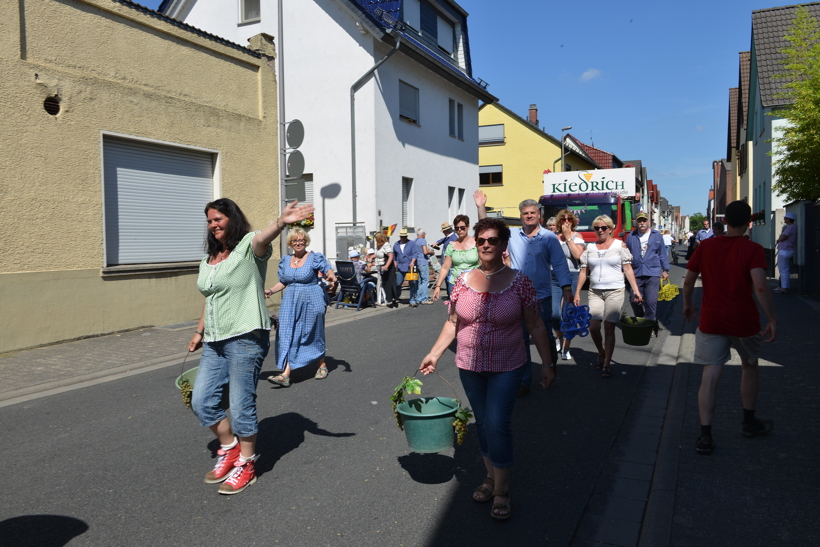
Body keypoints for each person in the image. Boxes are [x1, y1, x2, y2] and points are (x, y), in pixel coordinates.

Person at [419, 218, 555, 521]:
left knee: (497, 423)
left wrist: (547, 364)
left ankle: (502, 490)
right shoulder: (463, 280)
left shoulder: (519, 281)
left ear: (503, 245)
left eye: (493, 240)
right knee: (481, 423)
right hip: (469, 365)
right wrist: (434, 354)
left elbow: (534, 324)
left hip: (507, 365)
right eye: (482, 240)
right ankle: (491, 476)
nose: (486, 245)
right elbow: (454, 323)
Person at [188, 198, 313, 495]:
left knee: (242, 404)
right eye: (209, 221)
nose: (213, 224)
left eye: (218, 218)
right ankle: (229, 447)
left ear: (231, 218)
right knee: (202, 401)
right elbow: (211, 296)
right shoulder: (210, 258)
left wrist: (281, 222)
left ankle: (246, 464)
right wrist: (198, 331)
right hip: (214, 339)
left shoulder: (247, 247)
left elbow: (261, 238)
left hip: (245, 336)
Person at [683, 200, 777, 455]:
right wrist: (772, 318)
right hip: (743, 321)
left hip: (712, 320)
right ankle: (748, 422)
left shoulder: (706, 247)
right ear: (749, 223)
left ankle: (705, 436)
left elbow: (689, 281)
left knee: (710, 375)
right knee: (749, 366)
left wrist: (688, 305)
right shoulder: (753, 249)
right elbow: (759, 286)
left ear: (724, 221)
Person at [475, 191, 571, 396]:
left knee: (543, 335)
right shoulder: (511, 236)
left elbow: (560, 264)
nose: (529, 216)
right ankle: (525, 380)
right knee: (520, 339)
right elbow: (489, 232)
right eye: (525, 213)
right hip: (516, 295)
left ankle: (549, 366)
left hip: (541, 295)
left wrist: (567, 288)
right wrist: (481, 207)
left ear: (539, 216)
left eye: (532, 213)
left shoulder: (548, 238)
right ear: (520, 216)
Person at [265, 227, 337, 388]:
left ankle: (321, 365)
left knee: (312, 332)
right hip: (290, 300)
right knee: (286, 332)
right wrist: (270, 290)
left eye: (301, 240)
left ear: (306, 241)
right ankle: (286, 373)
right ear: (290, 243)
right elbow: (283, 281)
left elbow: (326, 268)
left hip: (312, 299)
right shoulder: (285, 260)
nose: (298, 243)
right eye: (295, 240)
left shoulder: (314, 257)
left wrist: (331, 274)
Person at [574, 215, 643, 378]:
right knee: (593, 327)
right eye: (597, 228)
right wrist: (577, 292)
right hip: (595, 291)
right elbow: (584, 272)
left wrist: (635, 290)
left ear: (611, 229)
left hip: (615, 290)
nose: (600, 231)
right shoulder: (590, 248)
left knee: (609, 327)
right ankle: (601, 351)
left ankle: (607, 363)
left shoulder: (620, 246)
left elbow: (627, 269)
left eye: (604, 228)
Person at [551, 209, 586, 361]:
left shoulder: (578, 237)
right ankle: (558, 335)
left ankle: (566, 347)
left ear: (572, 221)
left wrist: (567, 237)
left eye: (569, 219)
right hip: (553, 276)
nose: (566, 222)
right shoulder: (553, 237)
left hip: (572, 276)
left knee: (569, 313)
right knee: (554, 313)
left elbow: (578, 255)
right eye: (563, 219)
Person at [625, 211, 669, 323]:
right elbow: (626, 255)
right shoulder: (631, 236)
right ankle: (641, 319)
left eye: (644, 221)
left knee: (650, 301)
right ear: (636, 223)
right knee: (634, 300)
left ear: (648, 222)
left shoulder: (656, 235)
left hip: (653, 272)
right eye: (640, 221)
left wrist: (665, 269)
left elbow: (662, 253)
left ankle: (648, 323)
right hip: (636, 272)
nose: (642, 223)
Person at [432, 216, 479, 302]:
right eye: (457, 228)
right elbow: (445, 267)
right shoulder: (452, 246)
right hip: (455, 283)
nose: (459, 230)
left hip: (474, 283)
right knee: (455, 313)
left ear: (468, 227)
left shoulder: (477, 243)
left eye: (462, 227)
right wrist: (438, 286)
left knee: (474, 312)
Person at [432, 222, 459, 298]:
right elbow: (442, 240)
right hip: (446, 263)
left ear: (446, 231)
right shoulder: (448, 237)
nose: (443, 233)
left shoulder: (453, 239)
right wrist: (437, 243)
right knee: (447, 280)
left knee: (450, 281)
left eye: (443, 231)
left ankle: (451, 296)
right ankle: (449, 295)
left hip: (450, 264)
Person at [774, 212, 797, 294]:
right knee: (784, 269)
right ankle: (783, 286)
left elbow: (782, 237)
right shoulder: (791, 227)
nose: (784, 219)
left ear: (789, 219)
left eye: (786, 218)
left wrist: (780, 238)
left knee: (783, 269)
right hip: (787, 250)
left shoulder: (791, 227)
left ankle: (784, 288)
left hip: (785, 250)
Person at [374, 233, 397, 306]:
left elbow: (391, 256)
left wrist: (386, 266)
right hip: (379, 266)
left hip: (385, 267)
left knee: (385, 283)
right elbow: (378, 254)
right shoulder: (378, 246)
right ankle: (380, 299)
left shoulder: (386, 245)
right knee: (380, 283)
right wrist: (372, 257)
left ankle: (386, 299)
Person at [414, 230, 435, 305]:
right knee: (425, 281)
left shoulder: (414, 241)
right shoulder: (423, 240)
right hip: (423, 262)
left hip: (417, 262)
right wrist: (431, 252)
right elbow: (425, 252)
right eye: (424, 233)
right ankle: (424, 298)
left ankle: (419, 298)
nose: (425, 235)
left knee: (419, 281)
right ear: (422, 234)